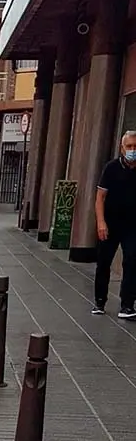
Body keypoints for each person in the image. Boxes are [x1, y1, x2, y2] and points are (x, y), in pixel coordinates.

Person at [92, 130, 136, 318]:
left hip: (133, 225)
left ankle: (127, 305)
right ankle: (100, 302)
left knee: (132, 261)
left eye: (135, 147)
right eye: (129, 147)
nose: (132, 150)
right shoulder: (111, 168)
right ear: (122, 148)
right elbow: (100, 197)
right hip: (110, 223)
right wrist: (101, 222)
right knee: (104, 262)